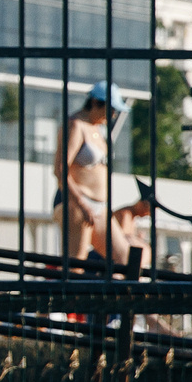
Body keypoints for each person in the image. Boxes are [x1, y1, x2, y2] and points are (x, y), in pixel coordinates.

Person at [57, 83, 151, 267]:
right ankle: (68, 296)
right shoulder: (76, 125)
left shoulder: (97, 130)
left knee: (124, 259)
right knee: (77, 262)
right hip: (77, 202)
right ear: (95, 102)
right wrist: (81, 204)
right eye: (112, 109)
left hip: (99, 207)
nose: (114, 115)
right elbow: (60, 169)